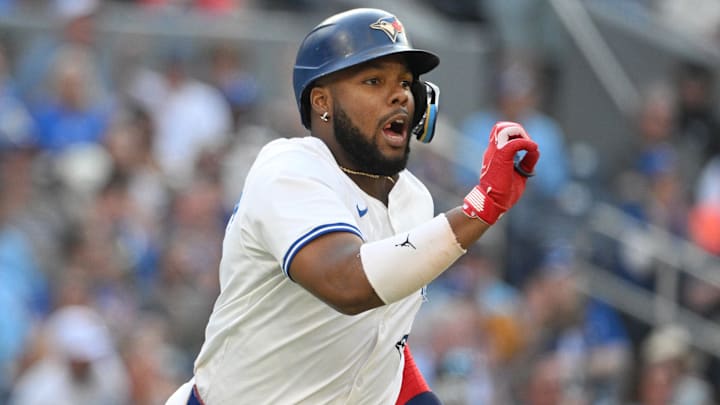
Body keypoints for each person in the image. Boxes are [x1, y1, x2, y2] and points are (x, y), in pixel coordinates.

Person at [165, 8, 539, 405]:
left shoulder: (414, 199)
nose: (400, 95)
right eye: (374, 81)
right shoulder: (289, 168)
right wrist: (480, 208)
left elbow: (385, 338)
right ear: (322, 102)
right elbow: (347, 284)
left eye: (406, 83)